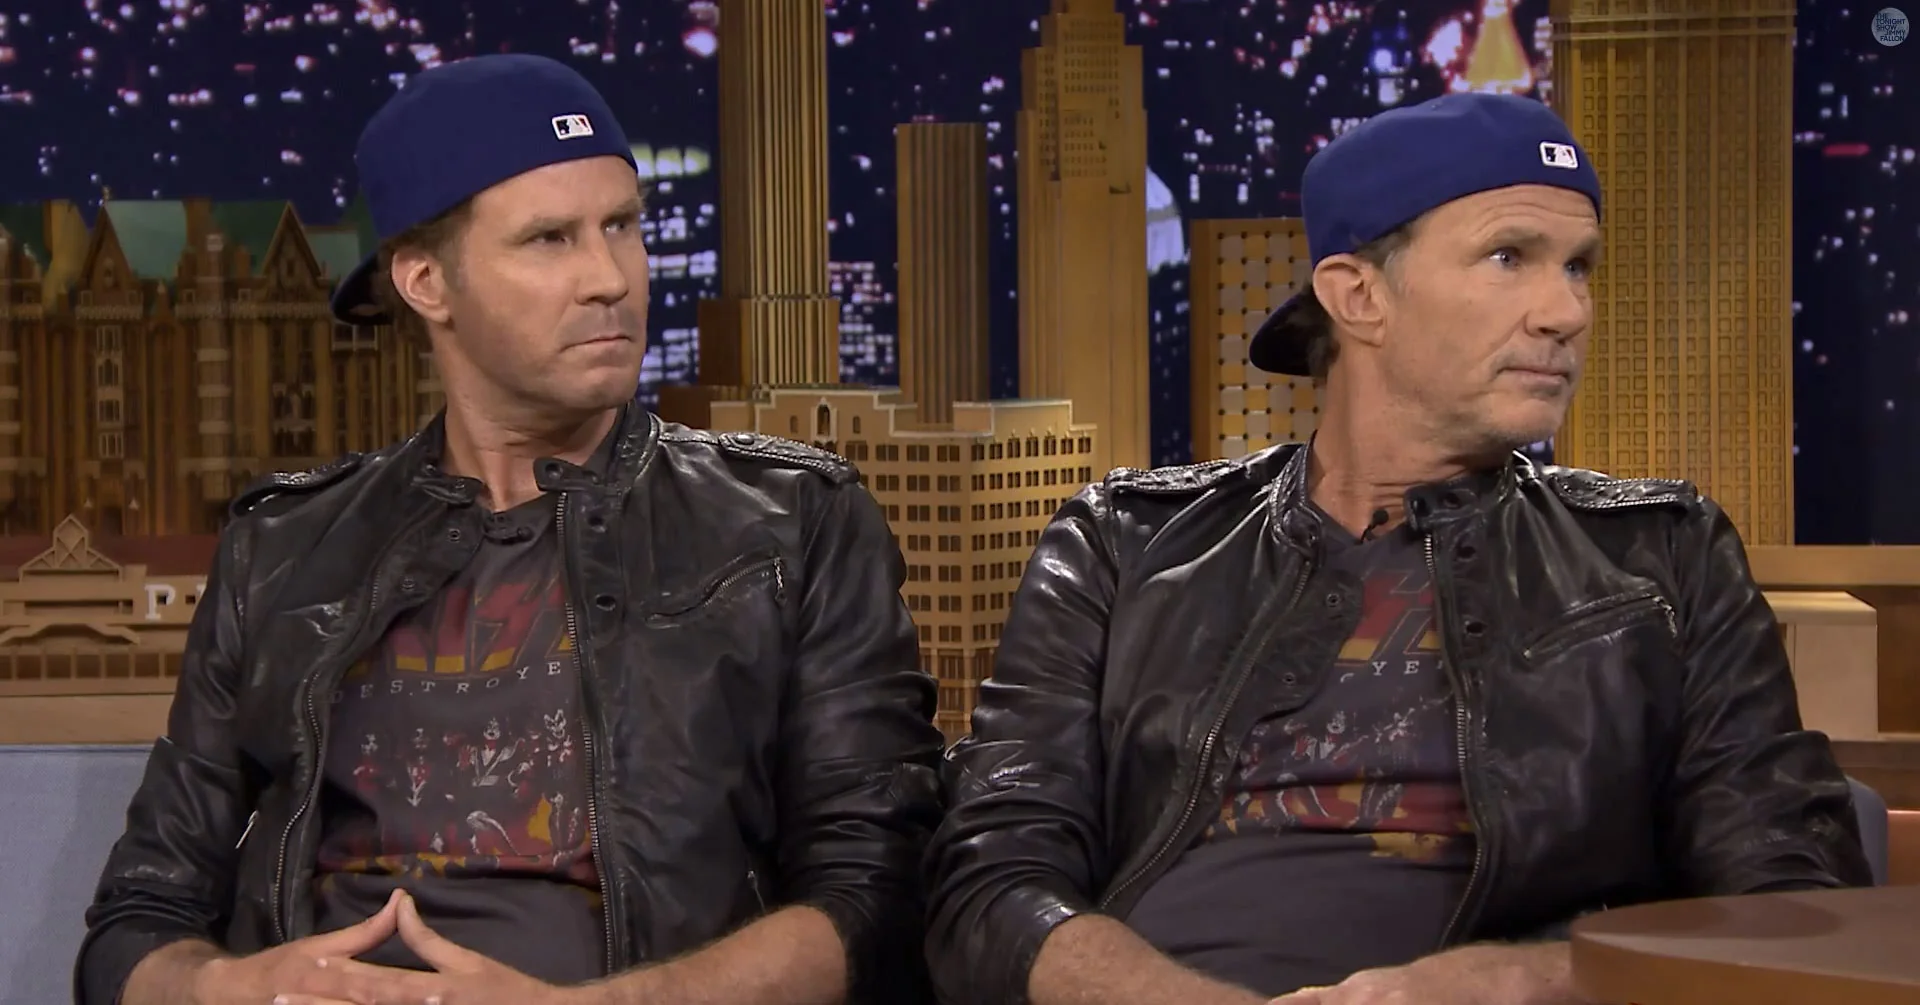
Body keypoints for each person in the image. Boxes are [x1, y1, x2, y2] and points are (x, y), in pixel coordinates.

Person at [925, 92, 1870, 1005]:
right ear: (1359, 296)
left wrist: (1527, 981)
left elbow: (1794, 905)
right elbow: (990, 885)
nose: (1567, 311)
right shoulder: (1125, 545)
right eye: (1509, 257)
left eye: (1579, 266)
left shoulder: (1663, 556)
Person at [78, 53, 944, 1005]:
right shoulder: (283, 550)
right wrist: (228, 989)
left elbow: (876, 898)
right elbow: (136, 924)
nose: (609, 278)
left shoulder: (790, 525)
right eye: (549, 239)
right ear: (426, 282)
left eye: (623, 226)